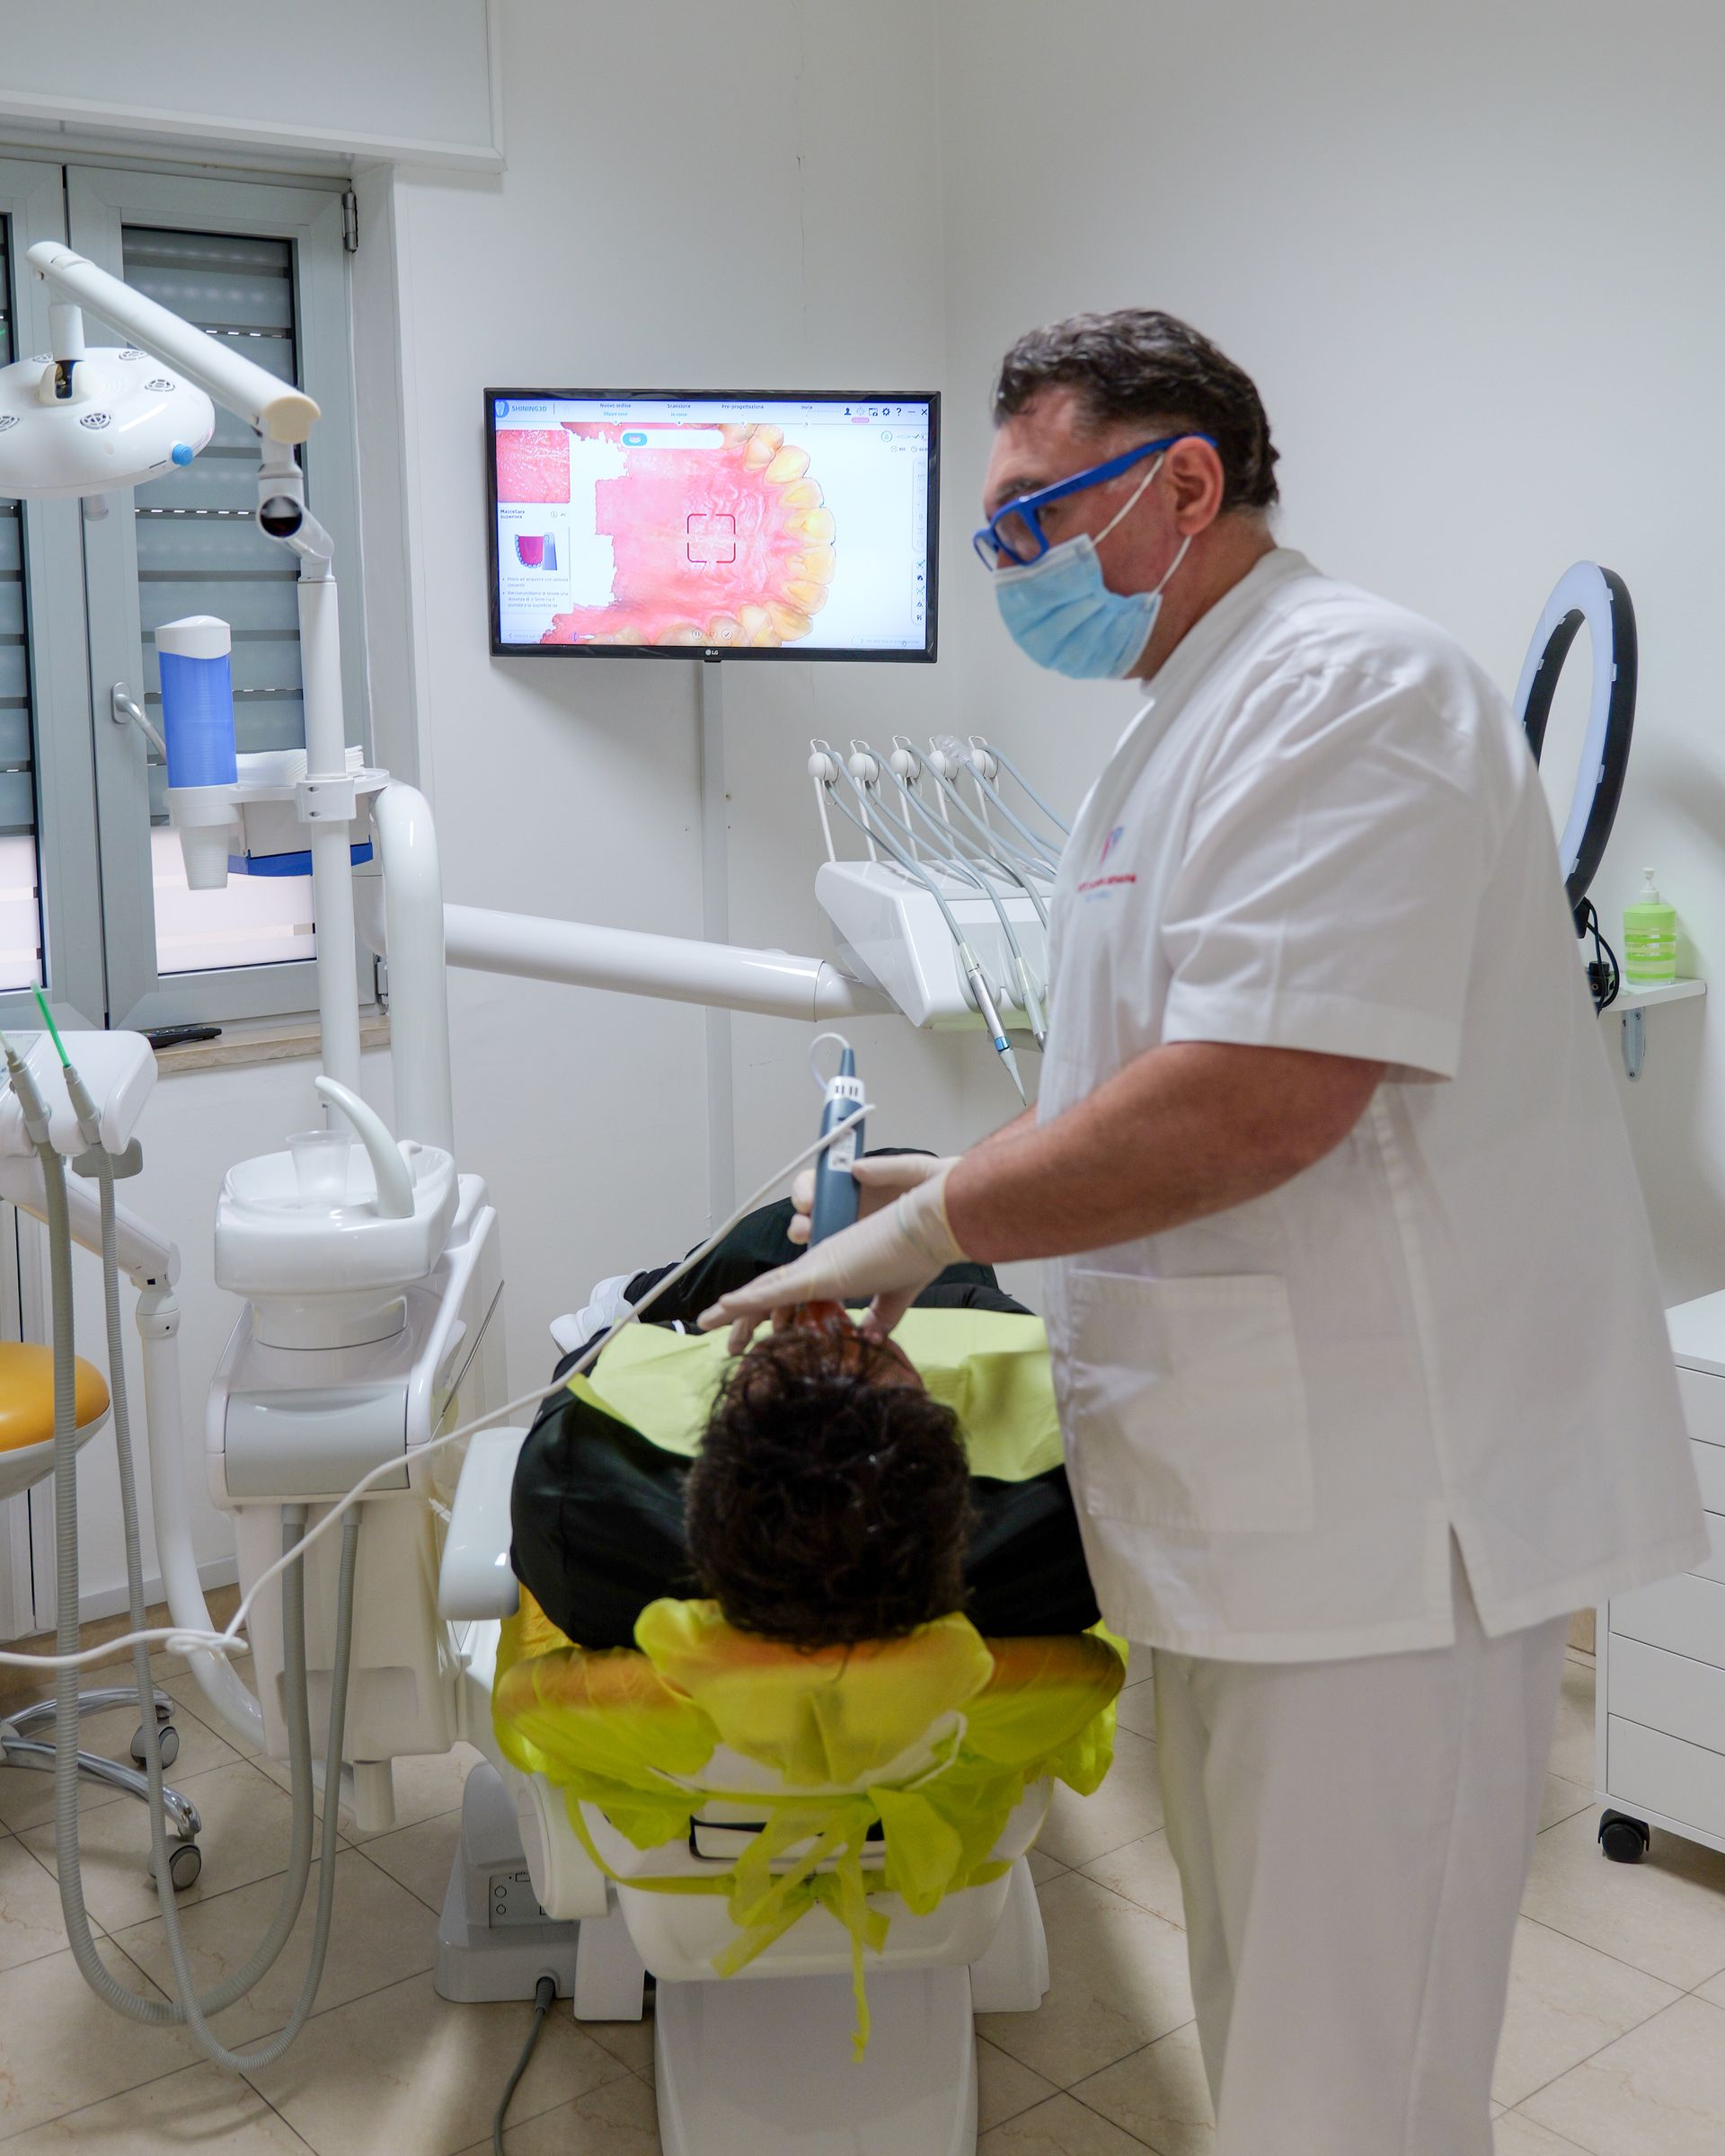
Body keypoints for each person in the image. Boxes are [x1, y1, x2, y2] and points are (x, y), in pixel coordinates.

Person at [697, 310, 1711, 2154]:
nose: (1008, 562)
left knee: (1353, 2095)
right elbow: (1137, 1081)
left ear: (1181, 483)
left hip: (1390, 1536)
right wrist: (938, 1190)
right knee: (1280, 2052)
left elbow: (1258, 1099)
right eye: (992, 533)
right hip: (1260, 1513)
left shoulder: (1352, 690)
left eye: (1031, 516)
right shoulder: (1181, 727)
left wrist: (938, 1223)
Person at [509, 1178, 1101, 1651]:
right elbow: (983, 1311)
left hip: (692, 1357)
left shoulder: (573, 1506)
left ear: (707, 1443)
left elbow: (588, 1371)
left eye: (779, 1349)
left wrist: (685, 1335)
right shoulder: (1072, 1530)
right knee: (892, 1204)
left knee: (808, 1237)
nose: (832, 1317)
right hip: (965, 1322)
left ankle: (651, 1293)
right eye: (871, 1349)